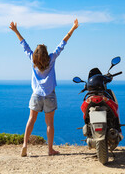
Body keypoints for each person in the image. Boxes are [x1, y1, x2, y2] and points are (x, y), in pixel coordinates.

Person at [9, 19, 79, 157]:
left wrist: (16, 30)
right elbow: (63, 42)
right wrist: (73, 28)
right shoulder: (51, 58)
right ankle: (50, 149)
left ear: (36, 53)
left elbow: (24, 44)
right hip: (50, 95)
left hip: (36, 95)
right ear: (45, 52)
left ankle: (24, 145)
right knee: (49, 123)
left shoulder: (32, 59)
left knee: (31, 119)